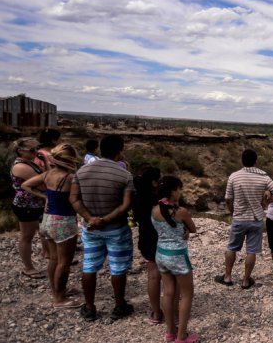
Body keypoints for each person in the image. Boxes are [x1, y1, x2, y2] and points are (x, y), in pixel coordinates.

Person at [69, 134, 135, 321]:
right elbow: (125, 205)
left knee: (89, 266)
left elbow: (73, 199)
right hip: (116, 229)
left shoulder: (81, 172)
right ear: (120, 150)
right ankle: (119, 305)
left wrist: (91, 218)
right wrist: (105, 220)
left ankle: (89, 307)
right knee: (118, 268)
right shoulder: (125, 175)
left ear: (100, 149)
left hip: (90, 229)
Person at [22, 143, 82, 307]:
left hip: (47, 220)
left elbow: (25, 184)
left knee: (54, 259)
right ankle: (60, 299)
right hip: (64, 222)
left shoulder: (48, 174)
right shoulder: (70, 178)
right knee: (64, 262)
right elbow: (76, 200)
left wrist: (44, 196)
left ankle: (57, 291)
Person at [216, 149, 273, 289]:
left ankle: (227, 277)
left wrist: (232, 210)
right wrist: (267, 203)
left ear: (242, 160)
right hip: (256, 218)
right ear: (256, 161)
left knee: (232, 247)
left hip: (239, 217)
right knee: (251, 251)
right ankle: (245, 281)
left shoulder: (234, 176)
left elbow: (228, 198)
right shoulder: (264, 177)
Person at [152, 176, 199, 343]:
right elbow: (192, 228)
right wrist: (184, 231)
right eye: (179, 189)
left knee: (168, 292)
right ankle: (182, 337)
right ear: (173, 191)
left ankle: (170, 332)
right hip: (178, 255)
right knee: (187, 294)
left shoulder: (155, 209)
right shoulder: (181, 212)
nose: (180, 192)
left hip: (161, 254)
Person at [10, 137, 48, 278]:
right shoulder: (21, 166)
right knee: (27, 237)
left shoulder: (30, 163)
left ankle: (49, 256)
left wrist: (45, 162)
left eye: (37, 148)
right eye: (32, 149)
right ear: (20, 151)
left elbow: (47, 177)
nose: (36, 151)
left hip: (35, 204)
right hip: (26, 206)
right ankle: (28, 268)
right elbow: (45, 184)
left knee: (44, 231)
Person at [132, 165, 164, 324]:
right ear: (153, 182)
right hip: (163, 238)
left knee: (152, 276)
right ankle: (174, 313)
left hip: (146, 238)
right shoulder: (157, 200)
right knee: (169, 276)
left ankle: (156, 313)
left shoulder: (136, 197)